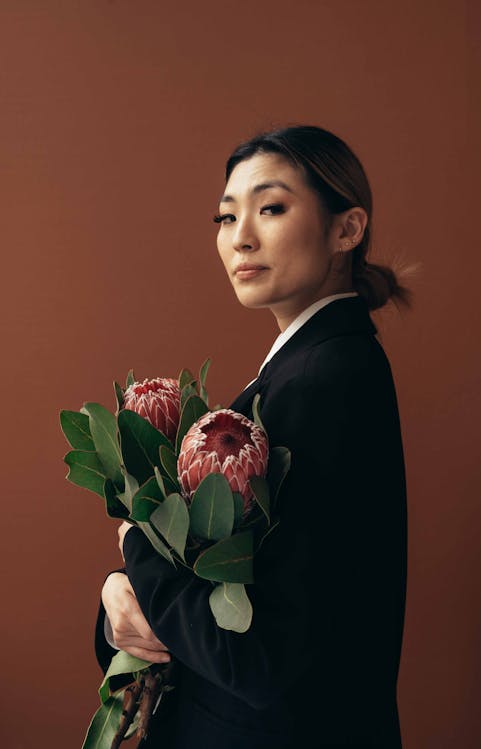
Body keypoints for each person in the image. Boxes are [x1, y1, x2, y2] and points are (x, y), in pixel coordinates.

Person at [95, 124, 412, 748]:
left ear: (346, 229)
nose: (240, 237)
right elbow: (226, 595)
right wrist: (121, 608)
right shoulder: (305, 370)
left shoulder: (323, 381)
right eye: (224, 215)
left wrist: (137, 545)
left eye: (270, 208)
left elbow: (262, 657)